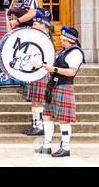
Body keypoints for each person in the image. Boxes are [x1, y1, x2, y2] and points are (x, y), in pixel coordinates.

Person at [35, 26, 85, 157]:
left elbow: (72, 72)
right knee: (46, 115)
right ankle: (47, 145)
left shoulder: (75, 52)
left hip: (64, 87)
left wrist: (54, 69)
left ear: (69, 40)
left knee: (64, 119)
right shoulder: (63, 51)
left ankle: (65, 147)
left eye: (63, 40)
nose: (61, 41)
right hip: (54, 87)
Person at [22, 9, 53, 136]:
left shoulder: (46, 39)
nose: (33, 26)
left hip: (41, 72)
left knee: (39, 99)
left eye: (36, 24)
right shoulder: (37, 37)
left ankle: (40, 125)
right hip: (33, 72)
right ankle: (35, 124)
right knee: (34, 99)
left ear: (44, 25)